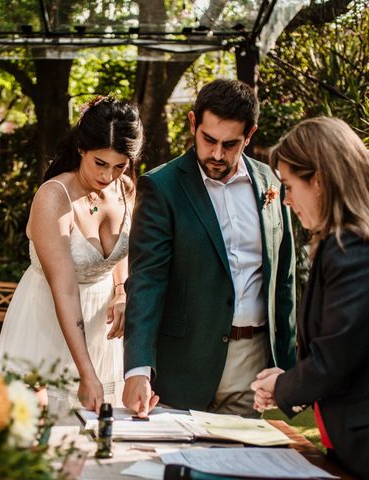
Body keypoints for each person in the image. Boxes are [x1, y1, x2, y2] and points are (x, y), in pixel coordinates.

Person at [123, 79, 296, 418]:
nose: (217, 154)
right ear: (193, 124)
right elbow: (146, 281)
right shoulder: (161, 187)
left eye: (230, 144)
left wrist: (289, 368)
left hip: (252, 365)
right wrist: (139, 369)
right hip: (183, 367)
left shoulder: (272, 185)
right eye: (208, 139)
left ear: (250, 134)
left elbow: (284, 279)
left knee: (240, 468)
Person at [251, 117, 369, 479]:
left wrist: (283, 387)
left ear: (319, 180)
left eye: (288, 186)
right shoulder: (352, 241)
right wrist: (290, 381)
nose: (285, 200)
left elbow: (336, 357)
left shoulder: (355, 247)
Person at [0, 96, 144, 415]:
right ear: (81, 149)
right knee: (41, 427)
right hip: (47, 317)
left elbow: (119, 253)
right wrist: (86, 371)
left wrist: (120, 292)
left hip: (100, 326)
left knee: (97, 430)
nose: (108, 176)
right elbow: (64, 287)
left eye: (119, 166)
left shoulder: (125, 189)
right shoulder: (53, 198)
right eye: (99, 163)